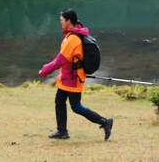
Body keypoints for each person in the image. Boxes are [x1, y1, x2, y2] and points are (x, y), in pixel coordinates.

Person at [39, 8, 113, 140]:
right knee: (59, 101)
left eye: (62, 20)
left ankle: (105, 122)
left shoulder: (73, 38)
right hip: (67, 77)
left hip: (73, 78)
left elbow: (60, 61)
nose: (60, 22)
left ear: (69, 21)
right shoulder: (72, 35)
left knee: (76, 107)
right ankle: (62, 131)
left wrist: (45, 70)